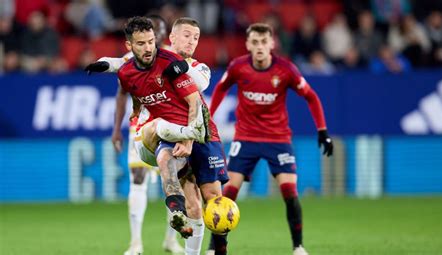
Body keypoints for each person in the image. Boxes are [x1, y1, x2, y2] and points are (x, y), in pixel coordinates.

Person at [86, 16, 214, 255]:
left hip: (180, 131)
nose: (149, 47)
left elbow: (196, 93)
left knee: (183, 182)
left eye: (154, 39)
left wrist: (179, 64)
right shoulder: (134, 65)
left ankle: (176, 222)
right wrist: (119, 124)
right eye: (143, 42)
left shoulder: (174, 62)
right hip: (148, 129)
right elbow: (121, 70)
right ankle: (135, 243)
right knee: (139, 174)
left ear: (162, 37)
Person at [208, 23, 334, 255]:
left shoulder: (286, 69)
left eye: (263, 42)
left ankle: (298, 247)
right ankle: (213, 247)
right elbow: (220, 89)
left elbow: (312, 97)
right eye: (254, 42)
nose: (259, 47)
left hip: (278, 138)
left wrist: (322, 131)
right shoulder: (238, 67)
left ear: (272, 44)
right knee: (228, 194)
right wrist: (208, 120)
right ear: (247, 44)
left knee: (289, 191)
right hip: (245, 138)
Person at [116, 16, 230, 255]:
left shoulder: (200, 68)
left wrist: (189, 138)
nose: (191, 41)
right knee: (192, 203)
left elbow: (195, 100)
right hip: (171, 134)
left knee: (213, 199)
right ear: (171, 37)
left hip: (203, 135)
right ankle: (176, 227)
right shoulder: (150, 60)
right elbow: (127, 73)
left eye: (196, 38)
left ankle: (220, 249)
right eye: (187, 35)